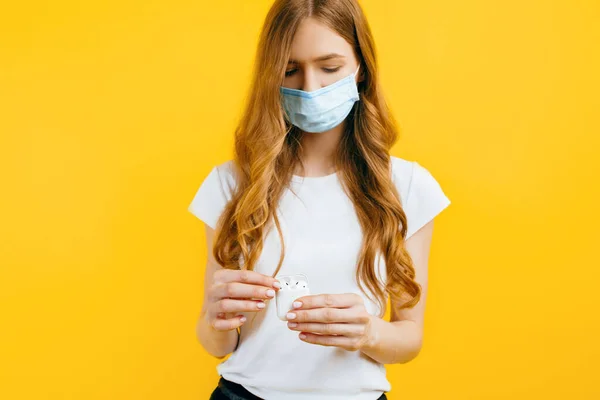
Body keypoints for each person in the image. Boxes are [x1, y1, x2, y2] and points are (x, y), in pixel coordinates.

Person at [188, 1, 451, 399]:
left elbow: (410, 337)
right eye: (290, 70)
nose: (310, 88)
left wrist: (368, 330)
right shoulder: (230, 185)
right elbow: (217, 342)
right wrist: (216, 318)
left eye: (330, 68)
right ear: (270, 76)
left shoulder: (409, 187)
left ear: (361, 68)